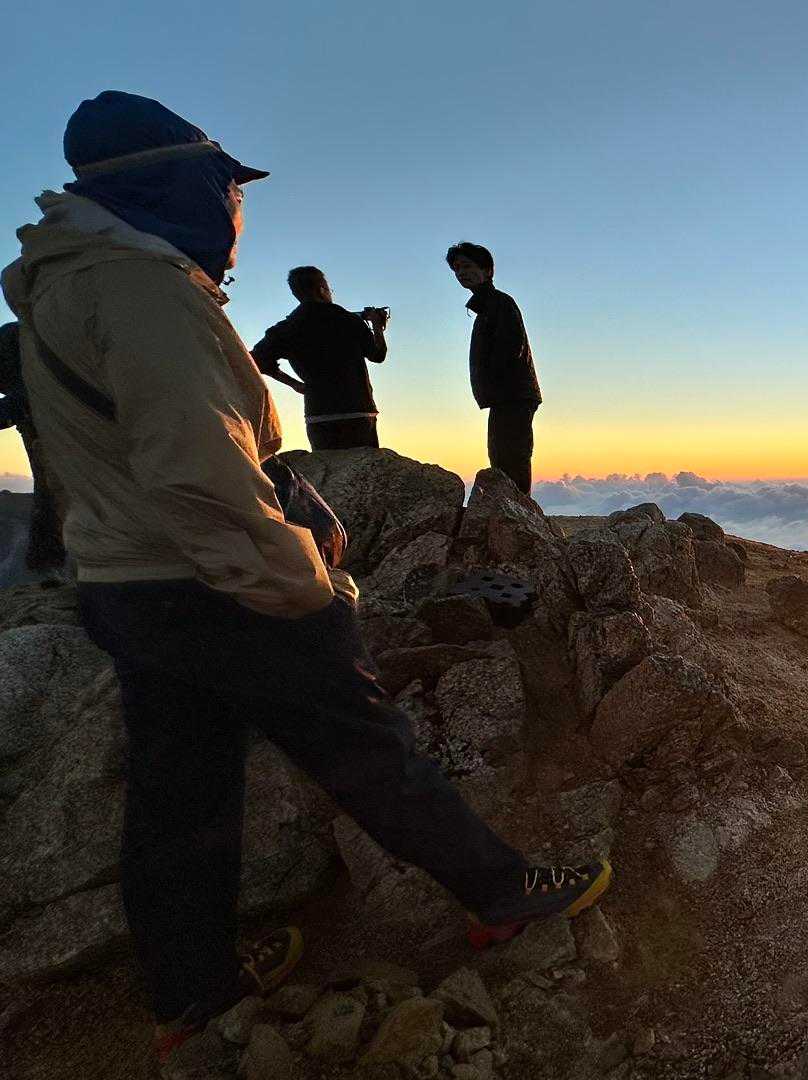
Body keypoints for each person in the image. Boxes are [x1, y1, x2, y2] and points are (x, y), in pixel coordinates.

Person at [2, 91, 611, 1060]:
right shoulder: (144, 293)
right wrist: (312, 593)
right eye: (229, 190)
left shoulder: (60, 286)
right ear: (177, 185)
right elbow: (200, 478)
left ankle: (191, 991)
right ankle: (499, 892)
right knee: (366, 743)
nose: (238, 212)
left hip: (127, 583)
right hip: (214, 581)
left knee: (179, 792)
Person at [251, 266, 390, 450]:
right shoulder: (349, 321)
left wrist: (295, 384)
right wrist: (377, 327)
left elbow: (256, 360)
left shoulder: (287, 328)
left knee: (328, 466)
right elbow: (378, 355)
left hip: (319, 415)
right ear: (321, 289)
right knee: (363, 466)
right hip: (357, 412)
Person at [447, 242, 541, 493]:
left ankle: (519, 511)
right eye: (457, 269)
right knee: (502, 457)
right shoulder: (487, 307)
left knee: (511, 458)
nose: (461, 273)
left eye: (467, 266)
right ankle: (513, 509)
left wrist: (494, 383)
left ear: (487, 270)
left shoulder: (500, 303)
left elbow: (511, 348)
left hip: (512, 395)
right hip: (506, 396)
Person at [0, 321, 69, 573]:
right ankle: (48, 569)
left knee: (53, 500)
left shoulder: (16, 347)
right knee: (48, 500)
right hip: (48, 438)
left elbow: (22, 400)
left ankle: (50, 569)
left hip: (62, 445)